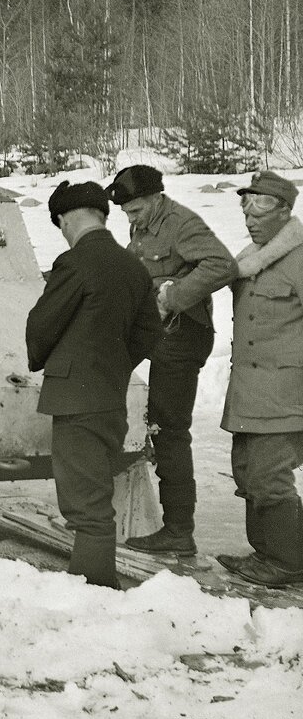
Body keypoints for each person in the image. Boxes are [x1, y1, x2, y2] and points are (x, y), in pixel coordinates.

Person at [26, 181, 163, 588]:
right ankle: (94, 585)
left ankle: (94, 590)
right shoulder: (133, 267)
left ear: (67, 218)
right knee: (95, 497)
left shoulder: (75, 263)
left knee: (87, 507)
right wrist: (116, 365)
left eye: (61, 225)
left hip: (75, 401)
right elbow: (150, 331)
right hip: (108, 398)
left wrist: (48, 361)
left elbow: (41, 325)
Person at [103, 165, 236, 556]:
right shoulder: (143, 227)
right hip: (158, 334)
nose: (131, 218)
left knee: (169, 428)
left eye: (137, 210)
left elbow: (222, 265)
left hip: (183, 336)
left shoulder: (181, 223)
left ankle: (179, 531)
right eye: (126, 213)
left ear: (157, 198)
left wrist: (172, 297)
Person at [216, 170, 303, 587]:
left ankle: (287, 562)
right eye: (245, 206)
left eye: (261, 207)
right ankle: (264, 554)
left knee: (271, 480)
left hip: (285, 394)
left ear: (286, 211)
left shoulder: (300, 257)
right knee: (247, 474)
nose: (250, 217)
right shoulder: (251, 256)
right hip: (248, 392)